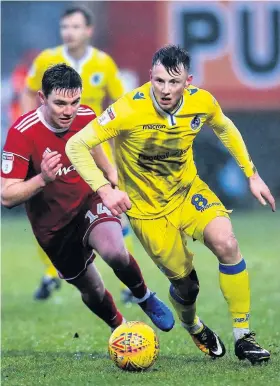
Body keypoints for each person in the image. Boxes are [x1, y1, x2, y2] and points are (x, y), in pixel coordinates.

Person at [66, 45, 276, 364]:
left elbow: (224, 127)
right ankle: (193, 324)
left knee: (227, 242)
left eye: (173, 83)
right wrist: (104, 190)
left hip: (187, 191)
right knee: (186, 286)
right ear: (151, 76)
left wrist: (252, 174)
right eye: (159, 81)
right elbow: (76, 144)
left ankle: (243, 337)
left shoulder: (201, 102)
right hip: (147, 211)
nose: (165, 90)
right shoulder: (128, 109)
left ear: (187, 82)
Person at [1, 63, 175, 333]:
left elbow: (96, 151)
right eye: (60, 103)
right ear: (42, 98)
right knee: (92, 290)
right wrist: (43, 178)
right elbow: (6, 196)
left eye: (75, 101)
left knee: (116, 252)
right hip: (53, 228)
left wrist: (113, 178)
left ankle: (144, 296)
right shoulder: (21, 134)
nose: (68, 111)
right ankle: (121, 329)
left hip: (88, 203)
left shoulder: (85, 116)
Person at [20, 5, 135, 301]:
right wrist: (25, 130)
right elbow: (28, 91)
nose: (68, 33)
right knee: (49, 210)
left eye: (74, 27)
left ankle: (127, 282)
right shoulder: (47, 59)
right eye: (64, 27)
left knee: (113, 206)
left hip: (95, 149)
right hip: (55, 148)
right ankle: (51, 273)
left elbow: (121, 102)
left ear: (88, 31)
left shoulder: (103, 63)